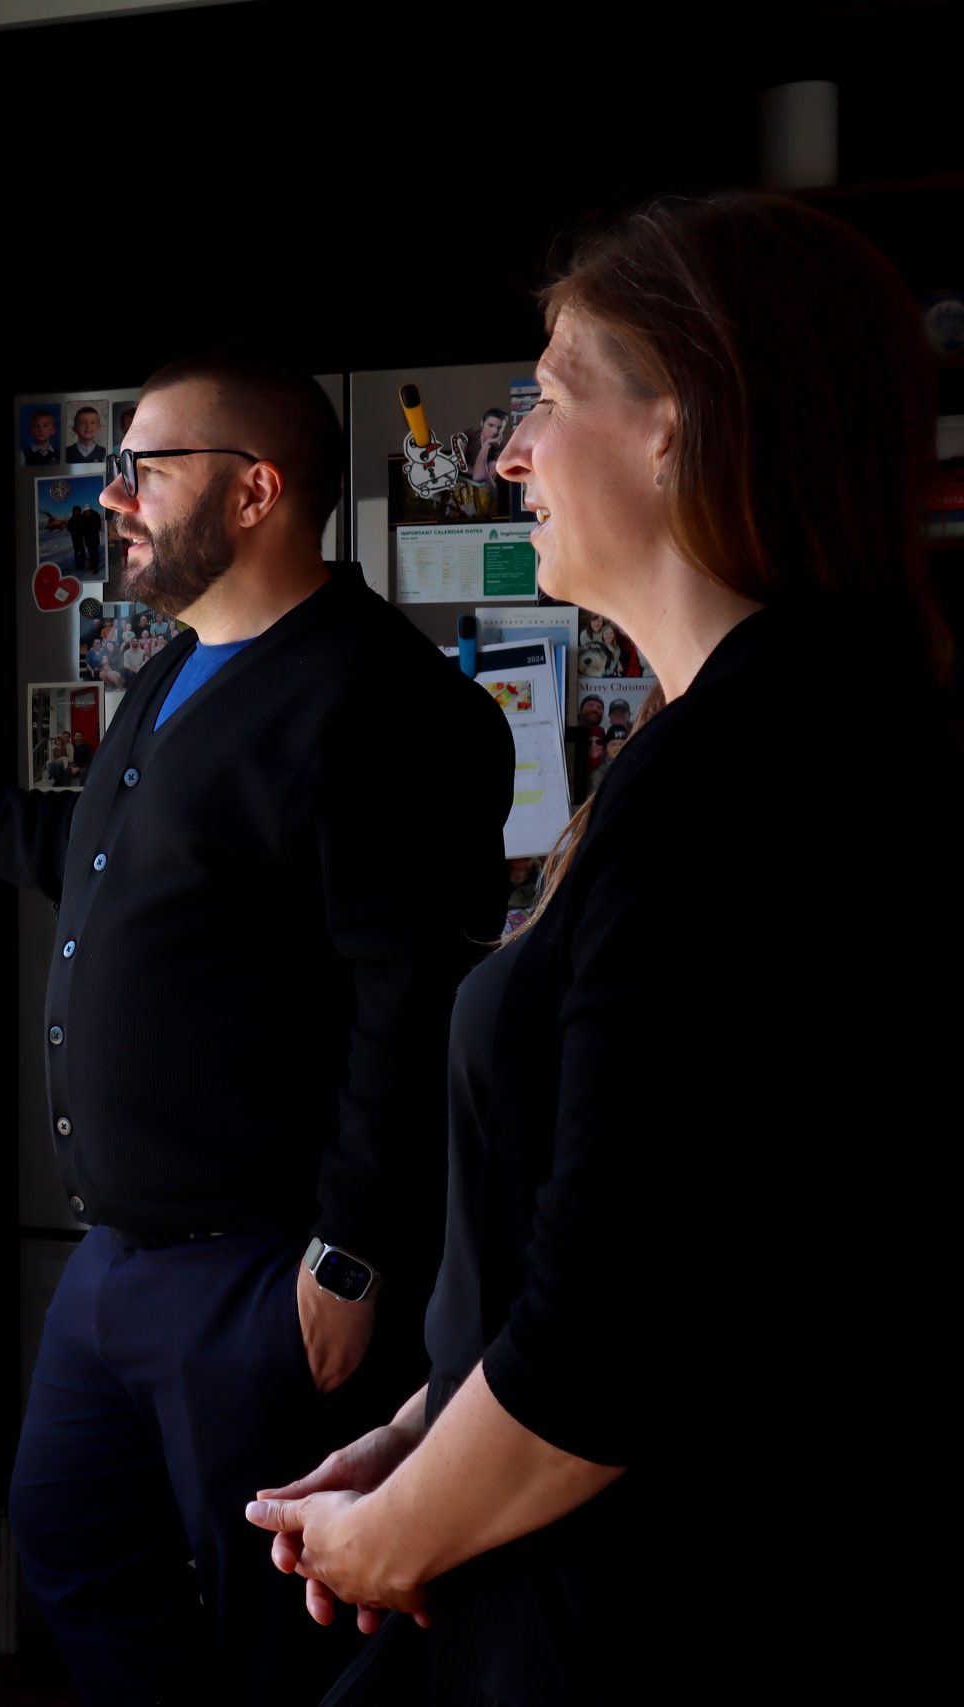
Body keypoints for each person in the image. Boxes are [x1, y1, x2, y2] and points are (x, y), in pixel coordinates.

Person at [244, 192, 963, 1704]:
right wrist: (428, 1423)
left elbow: (613, 1338)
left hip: (659, 1611)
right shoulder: (739, 739)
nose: (508, 451)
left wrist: (389, 1533)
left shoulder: (756, 777)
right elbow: (625, 1217)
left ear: (677, 426)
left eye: (552, 397)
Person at [0, 351, 512, 1706]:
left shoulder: (383, 701)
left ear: (256, 489)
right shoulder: (168, 676)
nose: (114, 496)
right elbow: (85, 856)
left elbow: (412, 993)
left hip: (265, 1270)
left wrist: (353, 1254)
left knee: (293, 1627)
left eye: (145, 465)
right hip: (120, 1261)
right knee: (74, 1535)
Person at [67, 496, 106, 579]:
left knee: (94, 553)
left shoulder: (94, 516)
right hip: (83, 539)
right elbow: (70, 527)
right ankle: (84, 565)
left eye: (88, 511)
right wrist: (76, 532)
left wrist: (89, 530)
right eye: (86, 511)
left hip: (93, 538)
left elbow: (97, 526)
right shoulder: (77, 518)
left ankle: (95, 567)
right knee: (86, 553)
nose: (87, 512)